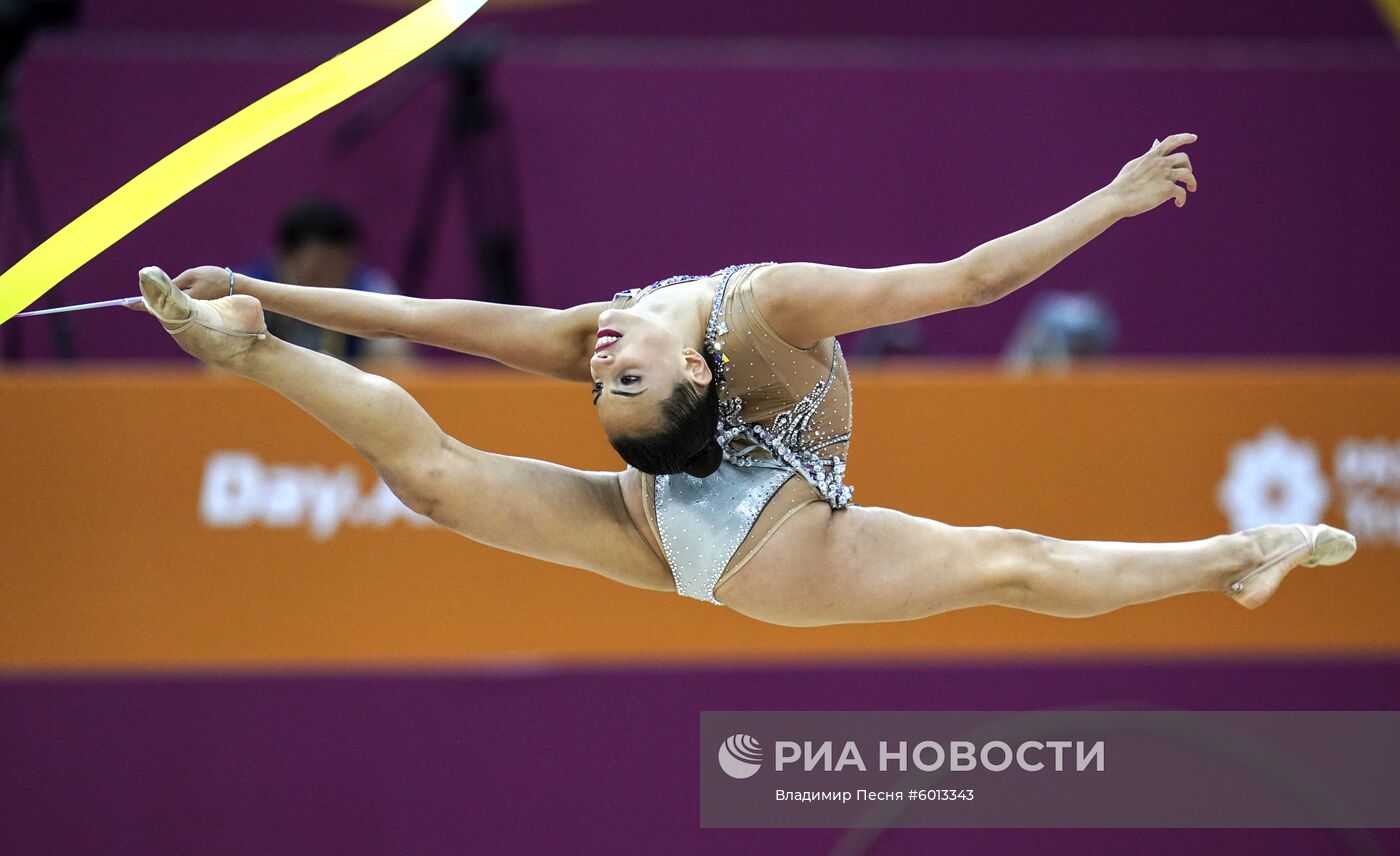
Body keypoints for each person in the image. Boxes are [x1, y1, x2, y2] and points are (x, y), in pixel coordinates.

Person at [133, 133, 1355, 625]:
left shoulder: (688, 323)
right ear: (696, 373)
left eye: (604, 374)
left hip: (774, 541)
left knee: (1008, 560)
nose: (602, 355)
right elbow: (434, 318)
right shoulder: (751, 314)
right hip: (705, 532)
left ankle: (1234, 556)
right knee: (438, 483)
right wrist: (269, 297)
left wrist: (1112, 197)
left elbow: (972, 284)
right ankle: (254, 357)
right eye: (621, 372)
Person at [239, 197, 412, 363]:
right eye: (320, 268)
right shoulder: (249, 292)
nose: (330, 277)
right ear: (285, 259)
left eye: (340, 266)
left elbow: (398, 366)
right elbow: (221, 371)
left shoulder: (370, 289)